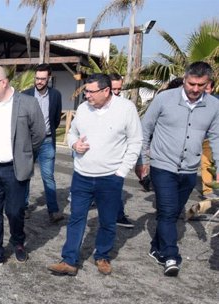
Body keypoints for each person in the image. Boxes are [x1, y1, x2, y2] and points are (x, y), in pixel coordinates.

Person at [48, 73, 142, 276]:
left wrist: (121, 172)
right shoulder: (83, 109)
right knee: (76, 218)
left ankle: (102, 256)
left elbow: (135, 142)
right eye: (86, 91)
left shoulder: (126, 109)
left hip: (110, 177)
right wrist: (74, 143)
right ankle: (69, 260)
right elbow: (72, 132)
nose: (87, 96)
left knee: (107, 220)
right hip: (82, 175)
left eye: (91, 92)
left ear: (106, 91)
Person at [139, 61, 219, 276]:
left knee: (173, 212)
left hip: (188, 170)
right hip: (162, 165)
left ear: (208, 83)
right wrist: (143, 160)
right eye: (191, 83)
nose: (194, 89)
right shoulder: (164, 99)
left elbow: (216, 138)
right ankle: (171, 256)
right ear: (184, 79)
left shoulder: (213, 106)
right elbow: (145, 129)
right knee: (166, 210)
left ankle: (156, 248)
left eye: (200, 85)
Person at [0, 66, 46, 267]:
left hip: (14, 168)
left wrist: (25, 153)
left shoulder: (27, 104)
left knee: (15, 210)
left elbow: (39, 133)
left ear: (3, 82)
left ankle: (18, 240)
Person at [22, 63, 63, 223]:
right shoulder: (25, 95)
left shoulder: (56, 95)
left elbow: (56, 119)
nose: (39, 81)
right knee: (25, 176)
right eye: (37, 78)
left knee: (48, 176)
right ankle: (23, 207)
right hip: (28, 142)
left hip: (47, 141)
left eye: (43, 79)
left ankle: (53, 210)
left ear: (49, 78)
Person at [107, 73, 135, 228]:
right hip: (99, 157)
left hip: (118, 156)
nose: (117, 92)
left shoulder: (126, 106)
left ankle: (118, 215)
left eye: (119, 89)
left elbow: (134, 135)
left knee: (116, 187)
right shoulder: (92, 105)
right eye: (114, 89)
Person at [200, 78, 218, 200]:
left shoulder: (215, 102)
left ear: (211, 89)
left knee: (206, 162)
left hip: (209, 138)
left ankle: (207, 190)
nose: (203, 91)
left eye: (207, 88)